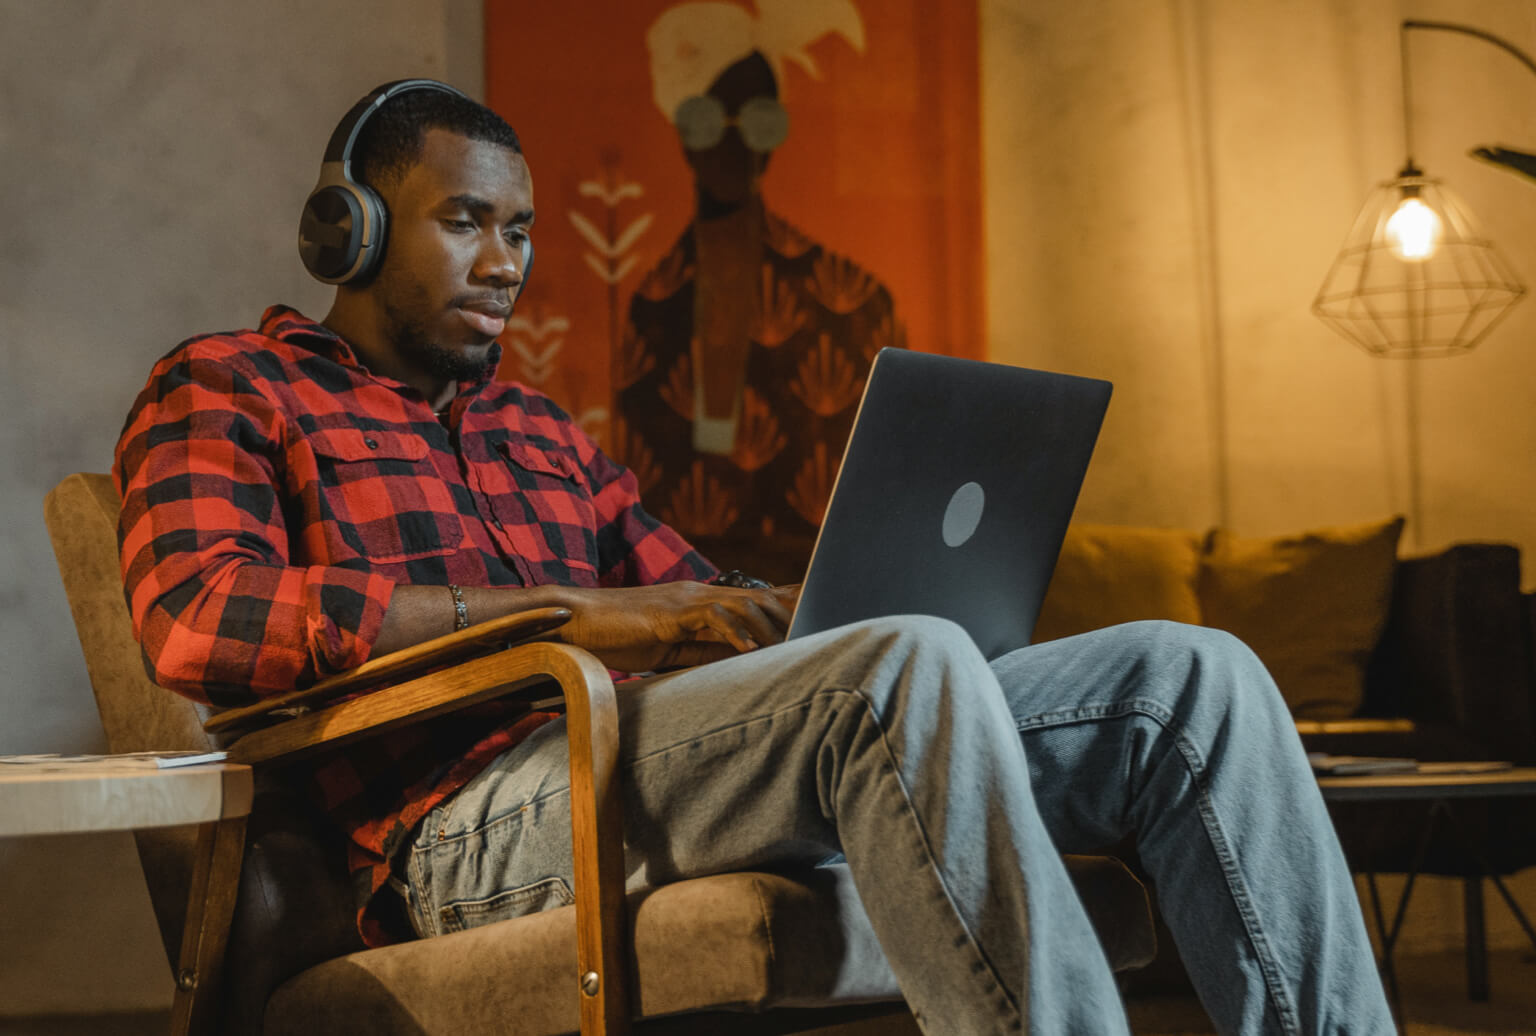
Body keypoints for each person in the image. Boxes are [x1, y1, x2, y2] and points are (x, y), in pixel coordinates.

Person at [114, 82, 1394, 1034]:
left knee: (1191, 673)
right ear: (349, 229)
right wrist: (576, 616)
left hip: (648, 762)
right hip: (459, 825)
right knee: (890, 672)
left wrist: (817, 600)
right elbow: (202, 615)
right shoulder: (233, 386)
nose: (507, 262)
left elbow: (716, 604)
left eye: (523, 229)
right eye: (465, 222)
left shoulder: (540, 432)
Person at [616, 1, 900, 584]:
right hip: (685, 602)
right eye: (707, 117)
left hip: (818, 596)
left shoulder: (853, 301)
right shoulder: (652, 306)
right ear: (682, 128)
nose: (734, 140)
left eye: (758, 117)